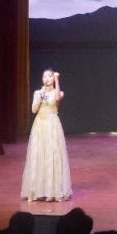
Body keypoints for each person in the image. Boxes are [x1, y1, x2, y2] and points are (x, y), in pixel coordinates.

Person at [20, 69, 72, 202]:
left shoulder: (58, 92)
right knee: (38, 155)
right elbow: (33, 110)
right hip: (40, 125)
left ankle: (52, 191)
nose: (47, 79)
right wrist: (39, 98)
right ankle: (36, 190)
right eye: (44, 77)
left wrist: (57, 80)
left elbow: (57, 99)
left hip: (52, 124)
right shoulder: (37, 93)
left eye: (49, 76)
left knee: (52, 155)